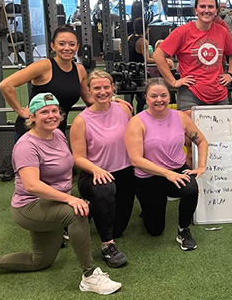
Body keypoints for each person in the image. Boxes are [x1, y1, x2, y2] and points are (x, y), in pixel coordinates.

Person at [0, 92, 122, 295]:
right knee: (76, 212)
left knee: (40, 262)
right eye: (44, 112)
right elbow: (31, 185)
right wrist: (70, 198)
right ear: (33, 117)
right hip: (30, 206)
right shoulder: (26, 146)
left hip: (52, 204)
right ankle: (90, 276)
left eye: (54, 111)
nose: (51, 115)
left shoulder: (56, 134)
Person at [125, 78, 208, 251]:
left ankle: (183, 230)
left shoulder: (180, 117)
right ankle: (148, 209)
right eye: (153, 96)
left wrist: (201, 166)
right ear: (146, 98)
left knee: (191, 188)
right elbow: (136, 160)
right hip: (149, 176)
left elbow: (202, 141)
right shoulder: (137, 122)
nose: (159, 100)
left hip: (177, 171)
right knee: (155, 230)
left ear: (169, 97)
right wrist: (166, 173)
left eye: (163, 95)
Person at [70, 71, 134, 268]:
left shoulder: (123, 109)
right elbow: (78, 158)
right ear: (88, 90)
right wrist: (96, 170)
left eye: (106, 87)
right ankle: (107, 245)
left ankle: (90, 209)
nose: (102, 91)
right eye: (96, 88)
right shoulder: (81, 121)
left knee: (118, 229)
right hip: (95, 175)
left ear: (112, 88)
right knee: (105, 189)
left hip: (124, 172)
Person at [0, 25, 92, 138]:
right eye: (61, 44)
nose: (67, 48)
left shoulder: (79, 70)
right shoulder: (44, 66)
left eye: (72, 44)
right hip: (31, 133)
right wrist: (21, 111)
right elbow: (5, 85)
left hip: (57, 133)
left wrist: (112, 102)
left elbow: (88, 99)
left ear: (77, 47)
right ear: (53, 46)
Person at [153, 0, 232, 110]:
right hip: (191, 95)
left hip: (219, 95)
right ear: (196, 10)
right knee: (190, 129)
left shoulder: (222, 32)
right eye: (202, 6)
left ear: (216, 10)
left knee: (221, 129)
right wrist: (173, 82)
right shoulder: (182, 32)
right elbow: (158, 55)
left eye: (211, 7)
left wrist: (230, 73)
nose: (206, 10)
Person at [124, 17, 156, 113]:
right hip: (138, 72)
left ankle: (131, 115)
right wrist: (161, 60)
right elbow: (147, 60)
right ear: (146, 29)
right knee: (142, 98)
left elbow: (121, 46)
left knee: (130, 97)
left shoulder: (128, 38)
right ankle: (139, 114)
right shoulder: (143, 42)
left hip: (128, 71)